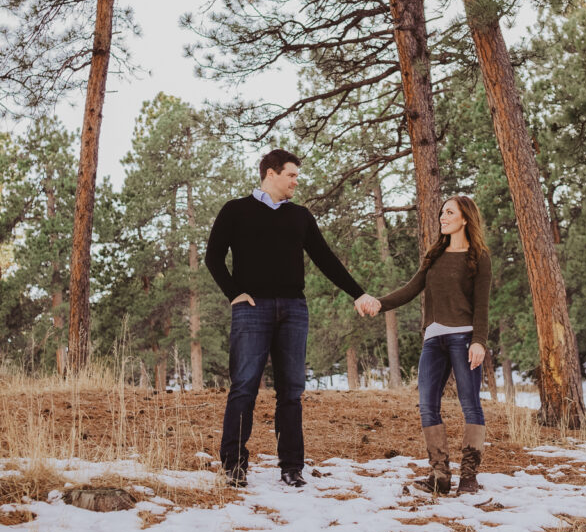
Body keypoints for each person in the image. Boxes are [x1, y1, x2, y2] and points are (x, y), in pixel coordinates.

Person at [205, 149, 380, 488]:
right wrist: (233, 294)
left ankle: (291, 468)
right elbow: (213, 257)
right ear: (271, 173)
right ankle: (234, 466)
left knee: (291, 392)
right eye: (292, 175)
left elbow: (326, 259)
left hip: (294, 310)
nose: (296, 182)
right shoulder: (236, 210)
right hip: (251, 310)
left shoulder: (299, 216)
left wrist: (357, 292)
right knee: (243, 387)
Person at [376, 195, 492, 494]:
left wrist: (479, 341)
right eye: (442, 212)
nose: (443, 216)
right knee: (427, 405)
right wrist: (379, 303)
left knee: (471, 405)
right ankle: (440, 475)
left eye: (449, 212)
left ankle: (468, 477)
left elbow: (482, 306)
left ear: (465, 218)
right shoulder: (434, 256)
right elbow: (410, 290)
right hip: (433, 340)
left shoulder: (479, 257)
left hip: (464, 337)